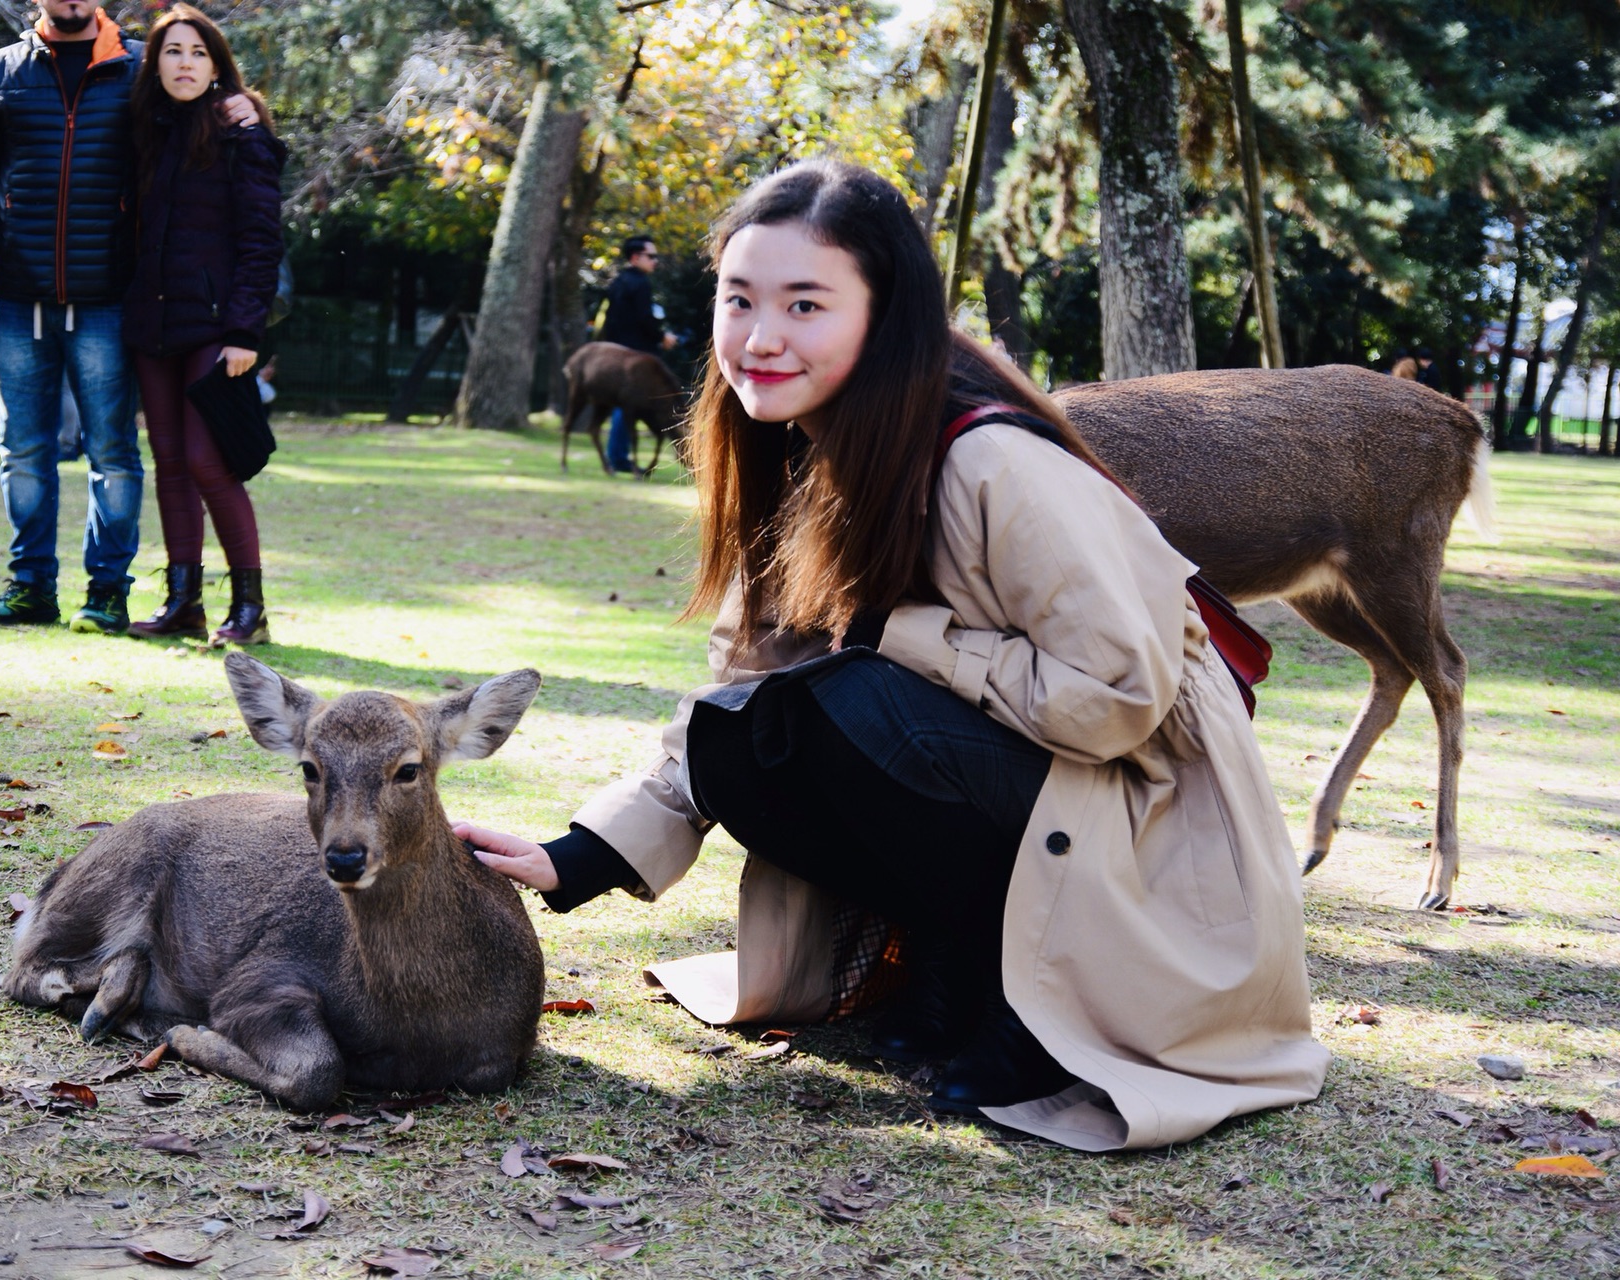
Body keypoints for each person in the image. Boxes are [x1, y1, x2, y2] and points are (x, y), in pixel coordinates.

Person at [457, 161, 1327, 1152]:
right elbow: (735, 699)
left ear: (887, 313)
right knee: (763, 733)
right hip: (1004, 772)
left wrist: (906, 640)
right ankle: (950, 960)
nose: (760, 335)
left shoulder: (992, 458)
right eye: (737, 299)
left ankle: (1031, 1008)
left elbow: (1116, 702)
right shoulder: (789, 449)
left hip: (1139, 803)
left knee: (850, 699)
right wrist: (582, 853)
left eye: (805, 303)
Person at [0, 0, 255, 633]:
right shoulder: (0, 71)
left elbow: (198, 111)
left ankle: (106, 592)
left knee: (113, 453)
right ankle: (30, 589)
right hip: (18, 293)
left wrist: (242, 106)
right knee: (22, 451)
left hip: (110, 298)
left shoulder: (139, 66)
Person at [119, 4, 284, 646]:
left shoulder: (241, 133)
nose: (184, 64)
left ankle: (250, 609)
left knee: (207, 461)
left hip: (217, 325)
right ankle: (182, 601)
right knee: (169, 463)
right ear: (154, 63)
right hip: (152, 322)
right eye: (172, 52)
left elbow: (261, 239)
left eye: (197, 53)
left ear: (217, 66)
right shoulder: (144, 129)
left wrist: (246, 331)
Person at [596, 235, 677, 474]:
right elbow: (643, 319)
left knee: (625, 404)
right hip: (637, 356)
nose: (655, 261)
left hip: (618, 353)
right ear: (635, 257)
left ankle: (618, 456)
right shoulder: (639, 283)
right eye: (651, 256)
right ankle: (619, 458)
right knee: (629, 405)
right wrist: (662, 337)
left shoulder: (619, 281)